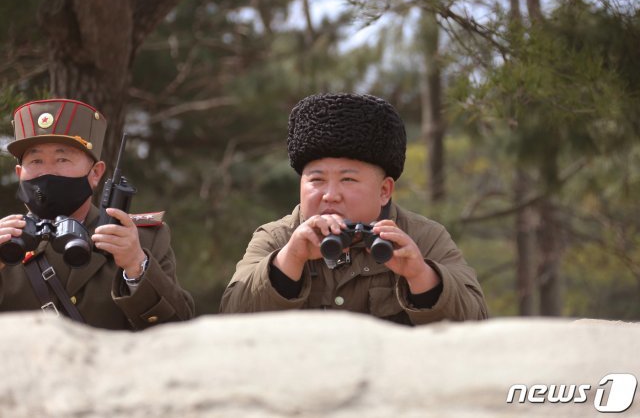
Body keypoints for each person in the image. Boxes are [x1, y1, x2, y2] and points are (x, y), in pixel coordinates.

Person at [220, 92, 488, 325]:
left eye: (348, 179)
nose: (330, 195)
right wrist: (289, 261)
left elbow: (476, 327)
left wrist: (421, 276)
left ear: (384, 191)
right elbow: (230, 321)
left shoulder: (424, 238)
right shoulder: (278, 238)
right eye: (316, 179)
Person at [0, 98, 195, 330]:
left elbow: (181, 330)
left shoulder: (141, 240)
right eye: (36, 160)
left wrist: (136, 267)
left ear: (95, 174)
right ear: (20, 173)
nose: (47, 171)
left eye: (62, 159)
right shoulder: (5, 241)